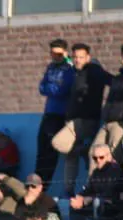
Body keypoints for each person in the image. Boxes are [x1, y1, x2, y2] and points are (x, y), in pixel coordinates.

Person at [61, 43, 112, 198]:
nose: (77, 60)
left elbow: (112, 81)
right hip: (72, 119)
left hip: (88, 119)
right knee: (70, 154)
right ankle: (69, 189)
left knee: (91, 154)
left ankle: (89, 190)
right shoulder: (74, 73)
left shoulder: (95, 72)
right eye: (75, 57)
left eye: (81, 58)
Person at [68, 144, 123, 220]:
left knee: (100, 204)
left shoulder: (116, 171)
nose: (98, 160)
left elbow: (110, 192)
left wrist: (89, 199)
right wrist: (80, 197)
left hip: (115, 205)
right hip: (97, 202)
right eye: (95, 158)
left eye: (101, 157)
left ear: (109, 156)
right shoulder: (96, 172)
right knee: (73, 206)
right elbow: (89, 189)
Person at [37, 39, 76, 182]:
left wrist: (51, 88)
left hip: (62, 114)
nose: (55, 57)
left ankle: (44, 184)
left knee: (51, 152)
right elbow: (42, 87)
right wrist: (52, 88)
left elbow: (63, 89)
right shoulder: (51, 67)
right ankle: (38, 181)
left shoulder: (69, 68)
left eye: (58, 54)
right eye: (52, 54)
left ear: (65, 53)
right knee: (42, 150)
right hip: (49, 112)